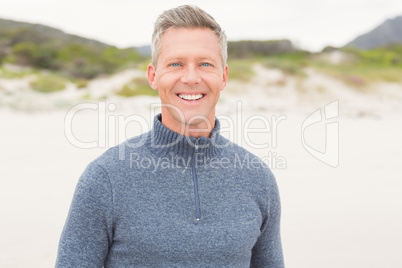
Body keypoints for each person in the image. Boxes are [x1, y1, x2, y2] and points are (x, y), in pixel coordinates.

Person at [56, 5, 284, 268]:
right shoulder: (104, 179)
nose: (190, 77)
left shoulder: (259, 179)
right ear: (154, 76)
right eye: (176, 64)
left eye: (205, 64)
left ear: (223, 76)